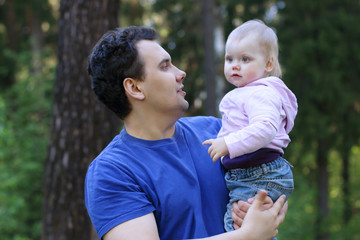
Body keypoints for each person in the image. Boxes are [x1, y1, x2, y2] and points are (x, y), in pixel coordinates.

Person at [85, 25, 288, 240]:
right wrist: (248, 236)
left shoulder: (218, 131)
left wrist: (261, 205)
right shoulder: (112, 172)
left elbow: (272, 183)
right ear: (135, 88)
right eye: (165, 67)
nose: (181, 73)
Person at [203, 19, 298, 232]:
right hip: (256, 173)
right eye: (230, 58)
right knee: (245, 227)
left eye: (245, 59)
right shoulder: (250, 92)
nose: (235, 65)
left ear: (268, 64)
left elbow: (265, 128)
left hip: (257, 172)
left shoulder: (260, 93)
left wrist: (228, 143)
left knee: (236, 227)